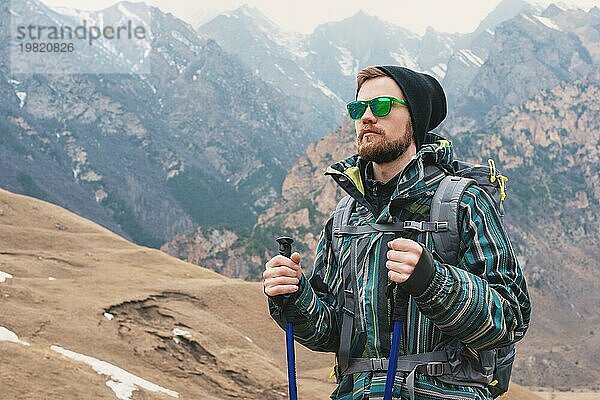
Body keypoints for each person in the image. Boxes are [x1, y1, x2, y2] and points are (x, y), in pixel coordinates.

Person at [263, 65, 531, 400]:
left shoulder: (463, 202)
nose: (367, 118)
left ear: (414, 118)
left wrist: (432, 282)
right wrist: (294, 296)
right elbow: (330, 333)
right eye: (358, 109)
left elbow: (511, 319)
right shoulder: (345, 217)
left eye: (382, 106)